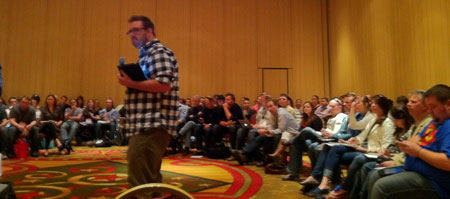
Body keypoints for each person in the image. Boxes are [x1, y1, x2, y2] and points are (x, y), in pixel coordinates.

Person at [118, 15, 179, 198]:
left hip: (151, 123)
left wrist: (129, 83)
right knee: (150, 179)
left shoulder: (158, 51)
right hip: (146, 123)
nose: (132, 35)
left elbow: (163, 84)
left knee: (140, 183)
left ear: (149, 31)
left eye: (136, 30)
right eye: (130, 31)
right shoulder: (146, 55)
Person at [302, 95, 394, 196]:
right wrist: (354, 140)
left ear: (382, 106)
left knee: (336, 152)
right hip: (365, 149)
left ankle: (336, 185)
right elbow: (361, 135)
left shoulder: (387, 122)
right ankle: (326, 183)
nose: (372, 105)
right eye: (372, 103)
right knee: (331, 148)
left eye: (375, 103)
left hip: (371, 153)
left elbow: (385, 147)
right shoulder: (374, 119)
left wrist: (364, 149)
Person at [370, 84, 450, 199]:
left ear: (448, 104)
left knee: (381, 187)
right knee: (376, 175)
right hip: (412, 169)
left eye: (433, 106)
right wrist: (409, 147)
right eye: (428, 107)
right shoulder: (435, 122)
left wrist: (418, 152)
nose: (429, 111)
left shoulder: (447, 125)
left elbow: (447, 162)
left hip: (435, 182)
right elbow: (412, 142)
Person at [232, 98, 299, 165]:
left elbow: (281, 130)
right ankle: (246, 154)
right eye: (268, 107)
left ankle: (274, 162)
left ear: (276, 106)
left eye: (271, 106)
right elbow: (272, 127)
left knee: (274, 136)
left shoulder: (282, 113)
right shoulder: (273, 114)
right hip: (283, 132)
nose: (269, 109)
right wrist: (265, 131)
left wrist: (267, 131)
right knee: (262, 137)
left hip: (292, 133)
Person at [283, 101, 323, 181]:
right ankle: (294, 174)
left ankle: (291, 141)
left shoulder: (316, 118)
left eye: (308, 107)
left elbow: (317, 133)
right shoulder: (304, 119)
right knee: (295, 146)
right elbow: (299, 132)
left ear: (312, 108)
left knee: (306, 130)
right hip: (305, 141)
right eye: (304, 107)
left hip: (314, 141)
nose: (306, 108)